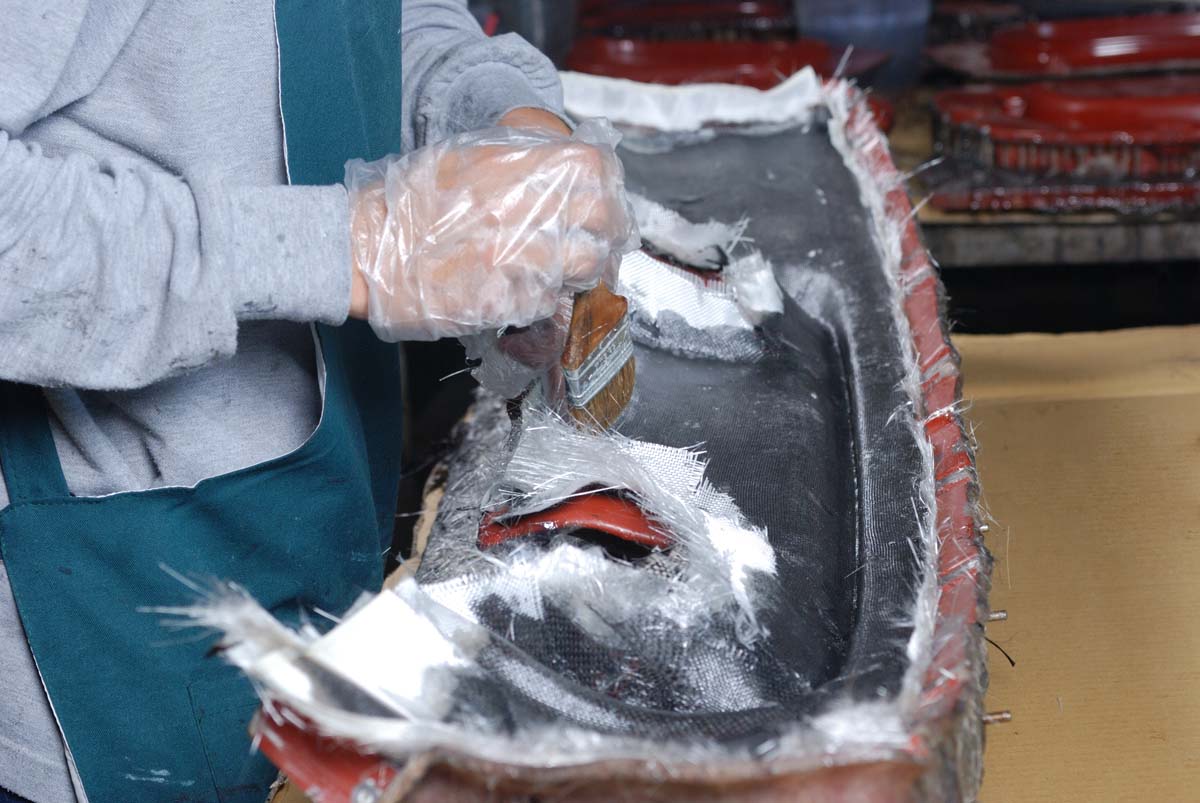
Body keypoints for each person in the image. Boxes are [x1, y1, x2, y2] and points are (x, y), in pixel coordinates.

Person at [0, 1, 633, 801]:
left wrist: (503, 128)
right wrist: (354, 246)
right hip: (104, 614)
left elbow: (384, 22)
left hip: (326, 529)